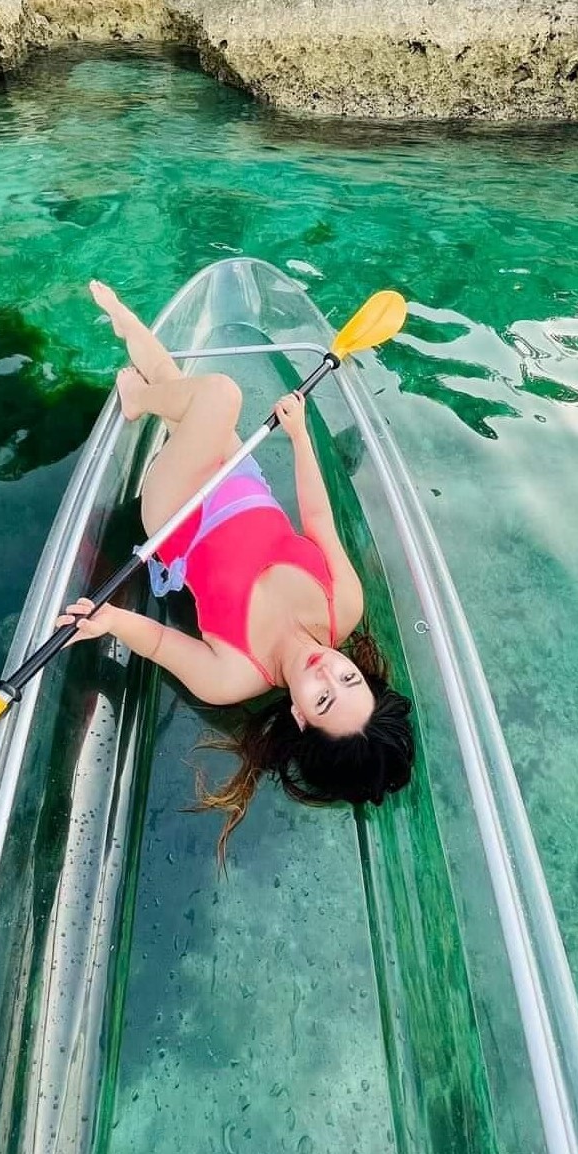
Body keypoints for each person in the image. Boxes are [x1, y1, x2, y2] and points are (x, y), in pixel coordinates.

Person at [57, 281, 414, 858]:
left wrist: (107, 624)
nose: (328, 673)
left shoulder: (233, 678)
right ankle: (129, 330)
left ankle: (138, 401)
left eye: (322, 699)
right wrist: (298, 437)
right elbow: (319, 519)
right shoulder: (341, 607)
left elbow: (156, 641)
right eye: (348, 679)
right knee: (184, 389)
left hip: (178, 516)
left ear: (299, 717)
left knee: (217, 394)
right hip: (241, 481)